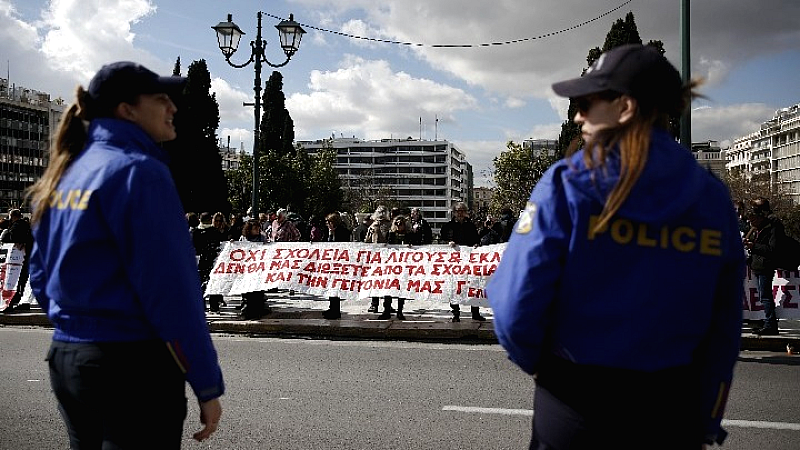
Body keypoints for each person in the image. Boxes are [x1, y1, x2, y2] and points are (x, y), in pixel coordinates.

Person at [486, 44, 745, 449]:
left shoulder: (568, 183)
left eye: (588, 102)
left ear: (624, 107)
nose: (578, 115)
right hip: (671, 411)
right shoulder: (712, 198)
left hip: (576, 405)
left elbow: (516, 303)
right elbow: (724, 327)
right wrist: (706, 415)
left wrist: (548, 372)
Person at [25, 61, 224, 447]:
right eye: (161, 99)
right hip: (130, 364)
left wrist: (79, 321)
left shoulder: (65, 175)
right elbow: (174, 293)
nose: (174, 108)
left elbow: (40, 273)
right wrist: (206, 383)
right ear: (126, 110)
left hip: (69, 357)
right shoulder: (139, 171)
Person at [439, 202, 485, 322]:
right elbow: (441, 239)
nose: (460, 213)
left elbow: (477, 239)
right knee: (454, 287)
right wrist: (448, 242)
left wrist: (475, 245)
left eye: (463, 211)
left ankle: (475, 313)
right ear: (454, 212)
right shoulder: (448, 226)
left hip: (469, 261)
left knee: (473, 286)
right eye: (458, 211)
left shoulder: (471, 225)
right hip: (455, 263)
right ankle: (456, 314)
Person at [744, 197, 782, 335]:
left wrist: (754, 246)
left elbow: (772, 249)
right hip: (758, 265)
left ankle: (770, 324)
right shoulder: (759, 227)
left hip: (765, 266)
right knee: (762, 296)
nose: (752, 221)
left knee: (765, 296)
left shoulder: (773, 225)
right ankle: (766, 322)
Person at [381, 215, 420, 320]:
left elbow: (416, 245)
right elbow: (387, 246)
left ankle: (400, 311)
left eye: (401, 223)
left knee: (401, 289)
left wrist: (411, 246)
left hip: (404, 265)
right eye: (396, 223)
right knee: (388, 288)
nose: (399, 226)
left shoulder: (410, 234)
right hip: (392, 266)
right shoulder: (391, 234)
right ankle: (386, 310)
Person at [195, 212, 229, 313]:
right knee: (210, 283)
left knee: (207, 283)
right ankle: (213, 305)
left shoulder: (197, 232)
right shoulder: (212, 231)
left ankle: (205, 304)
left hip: (206, 261)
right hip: (208, 260)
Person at [1, 209, 33, 312]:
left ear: (13, 216)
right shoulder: (27, 225)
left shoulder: (16, 226)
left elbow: (11, 238)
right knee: (23, 280)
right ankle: (22, 302)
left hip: (18, 260)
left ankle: (12, 302)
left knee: (15, 281)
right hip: (27, 257)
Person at [321, 212, 351, 320]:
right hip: (329, 264)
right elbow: (324, 244)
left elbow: (342, 246)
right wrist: (329, 234)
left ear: (333, 222)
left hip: (339, 264)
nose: (326, 224)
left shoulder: (344, 232)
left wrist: (333, 235)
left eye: (328, 222)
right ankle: (331, 307)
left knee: (335, 287)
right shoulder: (327, 231)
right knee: (330, 287)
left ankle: (336, 311)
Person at [239, 219, 271, 319]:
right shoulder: (243, 239)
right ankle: (248, 307)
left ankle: (258, 309)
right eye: (255, 228)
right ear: (249, 229)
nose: (257, 230)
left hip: (258, 269)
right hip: (247, 270)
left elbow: (268, 249)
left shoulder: (262, 238)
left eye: (258, 228)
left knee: (257, 290)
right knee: (248, 291)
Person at [365, 205, 392, 313]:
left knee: (375, 282)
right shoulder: (391, 225)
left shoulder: (372, 226)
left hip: (375, 258)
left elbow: (367, 241)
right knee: (388, 283)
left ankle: (374, 305)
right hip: (388, 258)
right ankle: (387, 306)